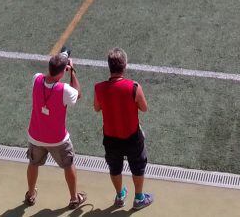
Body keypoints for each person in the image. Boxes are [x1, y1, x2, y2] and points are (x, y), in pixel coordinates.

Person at [24, 53, 86, 210]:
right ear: (62, 71)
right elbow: (77, 94)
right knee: (69, 164)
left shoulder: (36, 78)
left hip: (36, 136)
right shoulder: (64, 90)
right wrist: (72, 71)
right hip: (58, 140)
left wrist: (61, 66)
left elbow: (46, 78)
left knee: (33, 163)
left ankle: (31, 194)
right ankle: (73, 198)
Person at [94, 49, 154, 210]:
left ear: (109, 67)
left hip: (110, 137)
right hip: (133, 136)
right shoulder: (134, 87)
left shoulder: (99, 88)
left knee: (114, 167)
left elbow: (96, 107)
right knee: (138, 166)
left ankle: (120, 195)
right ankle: (139, 198)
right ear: (125, 66)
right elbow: (144, 108)